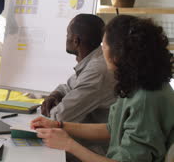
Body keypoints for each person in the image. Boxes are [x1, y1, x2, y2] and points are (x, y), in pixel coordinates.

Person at [31, 15, 174, 162]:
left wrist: (68, 144)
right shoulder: (139, 83)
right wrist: (59, 125)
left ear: (117, 55)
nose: (101, 50)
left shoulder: (145, 100)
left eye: (103, 45)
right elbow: (111, 129)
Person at [41, 14, 116, 123]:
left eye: (68, 34)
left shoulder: (97, 70)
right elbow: (70, 86)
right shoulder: (94, 60)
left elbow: (61, 117)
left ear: (76, 41)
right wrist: (55, 95)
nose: (66, 37)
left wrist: (48, 109)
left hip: (92, 139)